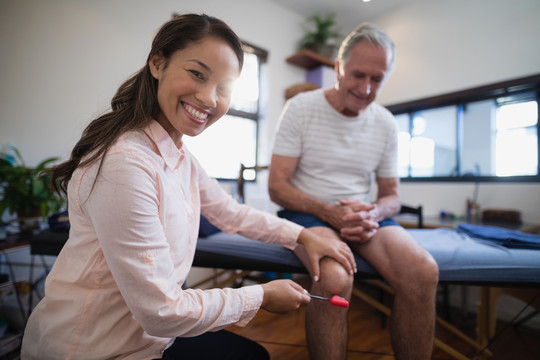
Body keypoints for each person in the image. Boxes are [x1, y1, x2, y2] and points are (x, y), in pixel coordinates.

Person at [21, 14, 358, 360]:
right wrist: (262, 296)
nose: (210, 99)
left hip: (150, 340)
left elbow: (232, 213)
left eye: (224, 88)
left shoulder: (180, 157)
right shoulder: (125, 163)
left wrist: (303, 236)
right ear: (157, 63)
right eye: (197, 74)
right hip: (91, 349)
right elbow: (161, 310)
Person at [268, 23, 439, 360]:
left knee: (423, 272)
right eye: (358, 75)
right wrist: (330, 212)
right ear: (338, 69)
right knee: (334, 280)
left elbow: (392, 196)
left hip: (363, 216)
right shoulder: (301, 107)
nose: (365, 88)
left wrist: (373, 212)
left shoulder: (386, 123)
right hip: (307, 212)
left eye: (377, 79)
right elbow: (277, 186)